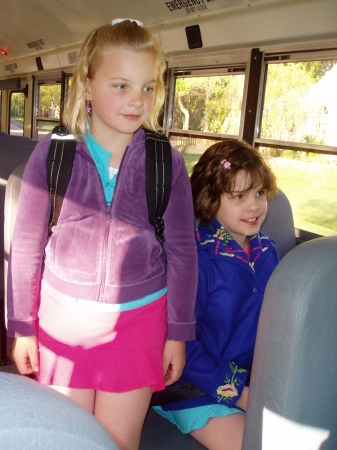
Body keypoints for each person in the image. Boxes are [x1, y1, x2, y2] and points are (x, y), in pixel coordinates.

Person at [7, 19, 197, 450]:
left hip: (138, 325)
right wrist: (22, 328)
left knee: (117, 442)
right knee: (68, 440)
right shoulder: (54, 154)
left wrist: (177, 333)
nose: (137, 101)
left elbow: (183, 253)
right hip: (63, 326)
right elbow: (26, 249)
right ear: (88, 86)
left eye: (148, 88)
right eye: (121, 86)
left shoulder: (165, 162)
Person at [154, 139, 280, 450]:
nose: (253, 205)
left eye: (259, 193)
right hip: (192, 386)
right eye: (238, 196)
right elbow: (183, 346)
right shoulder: (197, 260)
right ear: (210, 199)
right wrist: (241, 394)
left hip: (250, 381)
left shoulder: (267, 250)